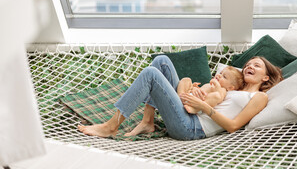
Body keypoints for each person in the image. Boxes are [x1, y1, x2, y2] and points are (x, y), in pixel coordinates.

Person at [78, 55, 282, 140]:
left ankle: (111, 126)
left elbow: (233, 126)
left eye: (256, 65)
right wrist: (199, 91)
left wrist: (204, 106)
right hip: (191, 113)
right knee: (161, 61)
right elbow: (215, 96)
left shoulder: (259, 97)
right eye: (248, 64)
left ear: (265, 77)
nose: (249, 66)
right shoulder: (231, 87)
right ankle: (148, 122)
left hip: (192, 128)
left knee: (151, 74)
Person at [177, 66, 243, 114]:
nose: (219, 75)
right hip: (189, 96)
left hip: (196, 104)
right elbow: (201, 91)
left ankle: (195, 109)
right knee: (186, 80)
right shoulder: (210, 84)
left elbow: (219, 97)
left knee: (216, 96)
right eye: (220, 73)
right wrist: (193, 88)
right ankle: (180, 95)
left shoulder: (222, 90)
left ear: (230, 88)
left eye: (224, 77)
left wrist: (216, 84)